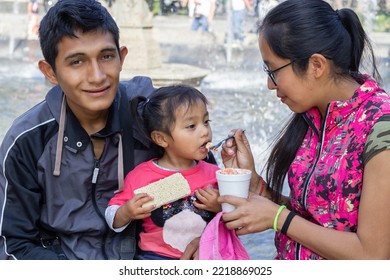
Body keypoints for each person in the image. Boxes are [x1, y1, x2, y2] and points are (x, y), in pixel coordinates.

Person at [0, 0, 215, 260]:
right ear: (50, 72)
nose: (97, 75)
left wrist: (205, 237)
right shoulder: (28, 140)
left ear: (122, 57)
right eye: (77, 61)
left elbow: (204, 181)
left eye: (106, 56)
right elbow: (14, 244)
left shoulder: (156, 117)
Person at [218, 0, 390, 259]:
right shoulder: (312, 116)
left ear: (316, 66)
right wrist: (258, 187)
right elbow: (314, 218)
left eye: (274, 70)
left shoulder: (380, 126)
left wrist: (278, 219)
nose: (269, 84)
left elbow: (373, 255)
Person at [105, 85, 221, 260]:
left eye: (206, 122)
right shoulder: (142, 176)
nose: (205, 131)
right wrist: (126, 212)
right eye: (191, 125)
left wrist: (220, 206)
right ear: (161, 139)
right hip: (155, 258)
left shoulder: (215, 174)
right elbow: (111, 215)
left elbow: (238, 218)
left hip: (207, 255)